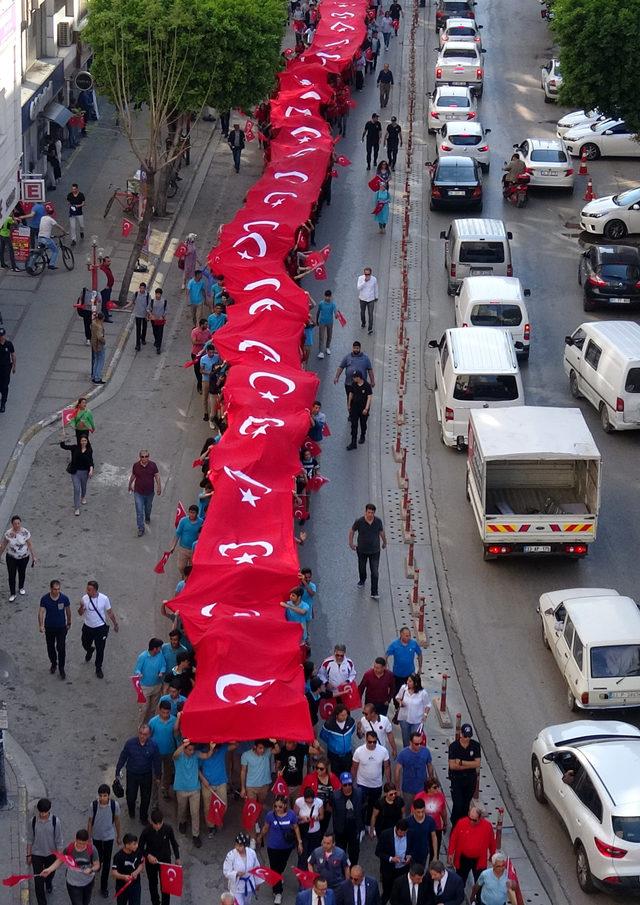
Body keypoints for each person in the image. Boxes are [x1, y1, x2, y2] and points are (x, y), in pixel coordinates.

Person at [259, 795, 303, 905]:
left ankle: (278, 876)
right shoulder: (270, 815)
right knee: (275, 869)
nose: (277, 808)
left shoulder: (291, 814)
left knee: (282, 865)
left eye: (280, 806)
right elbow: (265, 827)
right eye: (275, 806)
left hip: (287, 847)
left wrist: (300, 842)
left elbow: (296, 827)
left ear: (285, 805)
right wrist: (260, 836)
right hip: (273, 847)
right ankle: (277, 892)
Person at [40, 828, 100, 905]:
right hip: (73, 883)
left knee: (86, 902)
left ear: (87, 841)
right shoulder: (70, 848)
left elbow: (97, 865)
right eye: (79, 843)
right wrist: (49, 869)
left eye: (83, 844)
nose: (81, 846)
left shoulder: (92, 849)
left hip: (87, 882)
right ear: (75, 839)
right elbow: (60, 860)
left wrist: (91, 869)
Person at [115, 726, 161, 824]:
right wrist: (118, 770)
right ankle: (131, 811)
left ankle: (143, 817)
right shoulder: (130, 743)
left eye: (144, 734)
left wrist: (158, 776)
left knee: (146, 797)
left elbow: (157, 761)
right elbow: (123, 757)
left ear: (149, 735)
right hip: (132, 774)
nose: (142, 736)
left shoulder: (153, 746)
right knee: (130, 796)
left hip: (146, 775)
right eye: (140, 733)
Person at [173, 738, 212, 847]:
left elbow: (206, 756)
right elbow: (175, 754)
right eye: (189, 750)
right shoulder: (178, 756)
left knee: (195, 813)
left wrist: (212, 748)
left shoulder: (196, 754)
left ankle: (196, 835)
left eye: (192, 750)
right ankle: (183, 821)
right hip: (181, 789)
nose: (191, 752)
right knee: (182, 809)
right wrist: (183, 745)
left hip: (195, 789)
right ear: (184, 749)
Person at [139, 810, 181, 905]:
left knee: (166, 886)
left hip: (165, 861)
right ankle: (155, 902)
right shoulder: (146, 831)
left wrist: (177, 858)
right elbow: (140, 848)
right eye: (155, 824)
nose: (158, 826)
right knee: (153, 885)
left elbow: (174, 843)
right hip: (151, 862)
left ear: (163, 821)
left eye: (160, 823)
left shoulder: (168, 829)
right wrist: (147, 855)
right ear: (151, 822)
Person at [27, 798, 64, 905]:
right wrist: (29, 854)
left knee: (50, 874)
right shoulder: (33, 822)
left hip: (51, 854)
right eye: (41, 812)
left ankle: (48, 883)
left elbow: (59, 840)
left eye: (45, 812)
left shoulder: (55, 822)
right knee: (38, 882)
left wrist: (59, 856)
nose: (43, 814)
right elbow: (30, 839)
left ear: (49, 810)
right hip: (36, 854)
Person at [87, 785, 122, 899]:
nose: (103, 798)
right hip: (96, 837)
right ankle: (97, 867)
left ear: (108, 795)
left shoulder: (114, 805)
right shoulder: (94, 805)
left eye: (105, 796)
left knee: (107, 863)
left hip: (108, 837)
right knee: (97, 859)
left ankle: (103, 887)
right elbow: (90, 821)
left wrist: (118, 836)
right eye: (101, 796)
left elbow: (117, 820)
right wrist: (88, 838)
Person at [447, 805, 496, 885]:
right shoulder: (461, 822)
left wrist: (492, 855)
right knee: (460, 881)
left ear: (480, 818)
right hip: (463, 858)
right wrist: (450, 852)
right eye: (470, 818)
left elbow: (492, 842)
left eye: (474, 820)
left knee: (480, 882)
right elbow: (453, 838)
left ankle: (478, 897)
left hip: (479, 860)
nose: (471, 821)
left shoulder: (487, 827)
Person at [353, 732, 391, 829]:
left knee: (373, 806)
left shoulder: (383, 751)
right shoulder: (359, 751)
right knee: (360, 805)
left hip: (376, 785)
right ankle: (360, 826)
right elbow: (354, 767)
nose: (372, 744)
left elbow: (386, 767)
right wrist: (352, 782)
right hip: (362, 784)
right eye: (370, 742)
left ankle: (369, 824)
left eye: (374, 742)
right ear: (366, 740)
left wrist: (388, 782)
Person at [349, 503, 386, 600]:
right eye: (369, 512)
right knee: (362, 567)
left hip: (375, 551)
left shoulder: (378, 521)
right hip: (362, 550)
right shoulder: (359, 521)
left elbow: (381, 532)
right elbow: (352, 531)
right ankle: (362, 579)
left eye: (372, 513)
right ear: (365, 512)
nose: (370, 514)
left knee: (375, 572)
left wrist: (384, 542)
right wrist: (351, 543)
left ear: (374, 513)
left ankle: (374, 592)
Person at [448, 723, 481, 826]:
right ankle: (455, 823)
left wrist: (461, 762)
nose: (467, 738)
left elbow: (477, 763)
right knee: (458, 804)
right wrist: (470, 765)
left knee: (466, 805)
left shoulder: (475, 745)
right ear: (461, 734)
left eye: (469, 736)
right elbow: (452, 766)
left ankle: (463, 824)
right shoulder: (454, 746)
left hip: (470, 779)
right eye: (465, 736)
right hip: (457, 779)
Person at [39, 579, 71, 679]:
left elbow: (68, 610)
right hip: (49, 627)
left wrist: (69, 621)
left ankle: (61, 668)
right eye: (54, 589)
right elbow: (41, 612)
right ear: (50, 589)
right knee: (50, 647)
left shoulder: (64, 598)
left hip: (61, 627)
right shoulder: (45, 599)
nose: (56, 591)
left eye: (58, 589)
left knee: (61, 648)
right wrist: (41, 625)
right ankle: (53, 663)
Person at [200, 742, 234, 836]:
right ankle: (211, 827)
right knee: (207, 807)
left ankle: (217, 819)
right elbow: (197, 768)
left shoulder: (222, 748)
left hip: (221, 782)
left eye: (217, 749)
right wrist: (203, 779)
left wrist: (226, 738)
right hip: (207, 784)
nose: (216, 751)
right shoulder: (202, 751)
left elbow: (235, 745)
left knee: (224, 805)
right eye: (214, 749)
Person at [1, 514, 36, 601]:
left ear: (20, 523)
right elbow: (4, 544)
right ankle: (12, 593)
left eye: (18, 523)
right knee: (11, 575)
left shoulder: (25, 532)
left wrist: (33, 556)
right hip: (11, 557)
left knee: (22, 573)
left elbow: (30, 544)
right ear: (12, 524)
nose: (17, 525)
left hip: (24, 557)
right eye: (15, 523)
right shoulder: (8, 533)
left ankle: (21, 587)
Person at [375, 820, 411, 905]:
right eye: (400, 833)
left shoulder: (410, 834)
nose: (402, 836)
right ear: (396, 829)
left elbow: (412, 847)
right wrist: (391, 858)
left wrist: (409, 856)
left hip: (403, 869)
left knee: (400, 893)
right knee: (387, 893)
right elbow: (378, 852)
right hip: (388, 870)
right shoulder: (385, 834)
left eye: (404, 834)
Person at [331, 775, 364, 865]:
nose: (348, 787)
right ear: (341, 784)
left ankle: (353, 869)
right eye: (345, 785)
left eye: (349, 784)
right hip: (341, 828)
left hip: (354, 827)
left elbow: (362, 808)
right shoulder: (335, 795)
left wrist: (361, 826)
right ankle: (342, 870)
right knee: (340, 852)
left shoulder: (359, 793)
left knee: (354, 852)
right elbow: (334, 812)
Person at [303, 758, 341, 836]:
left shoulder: (332, 777)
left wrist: (333, 805)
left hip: (327, 808)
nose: (318, 770)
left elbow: (339, 791)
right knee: (313, 829)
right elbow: (303, 793)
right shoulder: (310, 778)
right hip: (314, 808)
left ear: (327, 769)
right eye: (317, 768)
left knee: (324, 828)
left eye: (321, 769)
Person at [223, 833, 264, 905]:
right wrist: (236, 874)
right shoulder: (231, 855)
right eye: (236, 845)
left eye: (240, 846)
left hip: (248, 884)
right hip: (236, 886)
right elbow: (226, 871)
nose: (237, 847)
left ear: (245, 846)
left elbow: (257, 868)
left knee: (247, 902)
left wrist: (258, 883)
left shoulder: (251, 853)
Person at [128, 450, 161, 537]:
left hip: (149, 492)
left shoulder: (153, 465)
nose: (144, 458)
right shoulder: (136, 466)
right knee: (139, 511)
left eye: (146, 456)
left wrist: (159, 486)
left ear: (148, 457)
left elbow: (157, 475)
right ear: (140, 457)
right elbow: (133, 475)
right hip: (138, 492)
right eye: (142, 456)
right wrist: (129, 484)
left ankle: (147, 516)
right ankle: (141, 528)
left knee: (148, 507)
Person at [395, 733, 434, 806]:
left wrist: (431, 780)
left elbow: (429, 765)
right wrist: (397, 788)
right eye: (416, 744)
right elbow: (397, 770)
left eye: (421, 743)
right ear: (410, 742)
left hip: (422, 788)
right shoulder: (403, 754)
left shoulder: (426, 751)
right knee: (408, 811)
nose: (419, 745)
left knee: (422, 809)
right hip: (408, 790)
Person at [148, 702, 178, 798]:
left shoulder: (174, 720)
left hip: (170, 752)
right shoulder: (153, 722)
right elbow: (149, 736)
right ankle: (154, 795)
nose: (165, 715)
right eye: (163, 712)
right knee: (155, 774)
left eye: (167, 712)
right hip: (156, 753)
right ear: (159, 711)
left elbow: (176, 736)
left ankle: (165, 788)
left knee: (168, 772)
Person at [133, 638, 167, 722]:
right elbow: (137, 669)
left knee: (153, 709)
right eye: (159, 647)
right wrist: (138, 674)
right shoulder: (143, 657)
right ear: (155, 648)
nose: (161, 649)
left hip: (157, 686)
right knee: (144, 709)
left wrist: (161, 672)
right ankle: (140, 727)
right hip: (145, 688)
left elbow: (163, 665)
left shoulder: (160, 654)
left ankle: (149, 725)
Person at [60, 435, 94, 515]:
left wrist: (91, 470)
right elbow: (64, 446)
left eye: (85, 441)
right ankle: (77, 508)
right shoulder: (74, 448)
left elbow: (91, 461)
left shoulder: (89, 450)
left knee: (83, 487)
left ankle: (83, 497)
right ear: (79, 441)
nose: (83, 442)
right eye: (82, 441)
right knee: (76, 489)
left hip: (85, 472)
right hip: (75, 472)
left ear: (87, 441)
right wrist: (62, 440)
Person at [413, 778, 447, 858]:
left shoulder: (440, 796)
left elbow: (443, 811)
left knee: (435, 852)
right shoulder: (419, 797)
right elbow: (413, 813)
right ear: (428, 788)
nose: (437, 789)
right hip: (422, 827)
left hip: (436, 827)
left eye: (438, 787)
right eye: (435, 787)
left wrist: (445, 823)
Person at [319, 704, 357, 776]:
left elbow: (352, 731)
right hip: (334, 757)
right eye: (342, 715)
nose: (345, 717)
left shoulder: (351, 721)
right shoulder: (329, 724)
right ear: (336, 715)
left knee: (347, 774)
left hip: (347, 755)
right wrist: (333, 744)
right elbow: (323, 736)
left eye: (345, 715)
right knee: (335, 775)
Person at [395, 674, 431, 748]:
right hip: (404, 719)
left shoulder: (423, 693)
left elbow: (428, 705)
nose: (407, 682)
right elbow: (398, 697)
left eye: (410, 681)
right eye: (407, 680)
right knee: (405, 740)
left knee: (415, 740)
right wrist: (400, 702)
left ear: (416, 683)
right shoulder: (403, 688)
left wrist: (425, 715)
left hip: (417, 721)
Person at [294, 787, 325, 868]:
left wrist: (316, 818)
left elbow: (322, 816)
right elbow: (294, 817)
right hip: (303, 831)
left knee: (312, 854)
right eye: (307, 802)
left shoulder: (319, 802)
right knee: (302, 855)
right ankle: (302, 872)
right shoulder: (298, 802)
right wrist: (302, 818)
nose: (309, 804)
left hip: (315, 832)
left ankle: (310, 871)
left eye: (311, 802)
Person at [387, 628, 423, 695]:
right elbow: (386, 655)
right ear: (401, 635)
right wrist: (385, 668)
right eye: (406, 636)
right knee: (397, 693)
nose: (409, 637)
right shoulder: (394, 645)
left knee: (411, 692)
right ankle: (397, 705)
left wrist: (420, 667)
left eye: (409, 635)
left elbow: (419, 654)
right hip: (397, 675)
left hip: (410, 675)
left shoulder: (413, 644)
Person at [111, 834, 144, 905]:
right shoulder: (118, 856)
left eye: (136, 843)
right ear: (127, 845)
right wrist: (124, 877)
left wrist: (136, 872)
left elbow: (141, 865)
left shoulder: (138, 851)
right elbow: (114, 872)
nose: (137, 845)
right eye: (134, 844)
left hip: (135, 885)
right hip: (122, 886)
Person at [172, 505, 203, 576]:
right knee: (180, 567)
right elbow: (177, 534)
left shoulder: (201, 522)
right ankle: (184, 576)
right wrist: (173, 546)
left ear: (197, 513)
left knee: (192, 567)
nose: (191, 514)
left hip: (194, 550)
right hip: (183, 549)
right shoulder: (183, 521)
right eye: (190, 512)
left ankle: (188, 580)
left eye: (193, 513)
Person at [240, 739, 273, 804]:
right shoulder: (246, 755)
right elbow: (243, 772)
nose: (262, 750)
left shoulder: (267, 752)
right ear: (255, 747)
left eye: (264, 748)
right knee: (252, 807)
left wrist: (275, 742)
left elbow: (278, 750)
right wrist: (243, 788)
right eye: (260, 748)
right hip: (251, 787)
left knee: (260, 805)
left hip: (264, 785)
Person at [406, 800, 437, 868]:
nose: (421, 814)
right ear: (414, 810)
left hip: (423, 853)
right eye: (418, 812)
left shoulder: (430, 820)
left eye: (422, 811)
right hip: (410, 854)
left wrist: (435, 855)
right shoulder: (408, 821)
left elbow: (434, 837)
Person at [347, 371, 373, 450]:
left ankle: (362, 435)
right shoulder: (353, 384)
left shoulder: (367, 385)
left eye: (354, 377)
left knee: (363, 423)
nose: (353, 378)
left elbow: (369, 397)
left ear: (359, 377)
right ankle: (353, 442)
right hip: (354, 407)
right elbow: (351, 394)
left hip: (363, 408)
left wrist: (366, 408)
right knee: (354, 425)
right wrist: (349, 404)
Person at [190, 318, 211, 392]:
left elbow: (210, 339)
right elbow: (194, 342)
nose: (207, 325)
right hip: (196, 354)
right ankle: (199, 386)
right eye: (205, 324)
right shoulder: (194, 331)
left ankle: (203, 384)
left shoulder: (207, 331)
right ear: (201, 325)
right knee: (197, 370)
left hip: (204, 354)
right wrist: (203, 342)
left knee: (204, 369)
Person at [357, 268, 379, 334]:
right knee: (362, 313)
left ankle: (370, 328)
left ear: (370, 274)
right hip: (362, 299)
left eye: (368, 274)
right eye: (365, 274)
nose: (367, 276)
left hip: (371, 299)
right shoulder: (360, 278)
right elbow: (358, 288)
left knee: (370, 314)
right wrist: (364, 282)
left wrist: (376, 296)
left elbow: (376, 288)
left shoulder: (374, 279)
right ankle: (363, 323)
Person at [316, 289, 337, 359]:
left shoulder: (333, 304)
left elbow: (335, 312)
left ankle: (327, 347)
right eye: (326, 296)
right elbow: (318, 312)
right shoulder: (321, 303)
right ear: (324, 296)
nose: (327, 298)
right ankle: (321, 352)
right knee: (321, 337)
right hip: (322, 322)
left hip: (330, 322)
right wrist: (316, 320)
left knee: (329, 336)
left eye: (329, 296)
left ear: (331, 296)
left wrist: (337, 315)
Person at [0, 326, 16, 412]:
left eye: (2, 335)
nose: (1, 337)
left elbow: (13, 355)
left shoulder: (9, 344)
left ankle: (3, 404)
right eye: (0, 335)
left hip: (6, 369)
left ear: (4, 335)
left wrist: (14, 366)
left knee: (5, 386)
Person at [132, 282, 151, 350]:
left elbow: (149, 305)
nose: (142, 289)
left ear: (145, 289)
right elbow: (133, 301)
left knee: (144, 327)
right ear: (139, 288)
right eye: (141, 288)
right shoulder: (136, 294)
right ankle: (138, 344)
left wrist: (148, 313)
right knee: (138, 329)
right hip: (138, 314)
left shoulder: (148, 295)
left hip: (145, 314)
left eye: (143, 288)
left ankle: (143, 339)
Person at [148, 287, 167, 353]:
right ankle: (156, 340)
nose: (157, 295)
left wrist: (162, 316)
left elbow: (166, 310)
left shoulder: (164, 301)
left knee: (160, 333)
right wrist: (151, 315)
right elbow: (148, 309)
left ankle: (158, 347)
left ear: (161, 294)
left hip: (161, 320)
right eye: (157, 294)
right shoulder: (152, 301)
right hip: (154, 319)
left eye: (159, 294)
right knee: (155, 331)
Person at [90, 313, 106, 384]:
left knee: (96, 360)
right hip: (99, 345)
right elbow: (99, 337)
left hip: (94, 344)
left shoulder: (93, 324)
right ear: (102, 318)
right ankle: (97, 378)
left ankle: (94, 376)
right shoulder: (99, 326)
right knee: (101, 361)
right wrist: (104, 341)